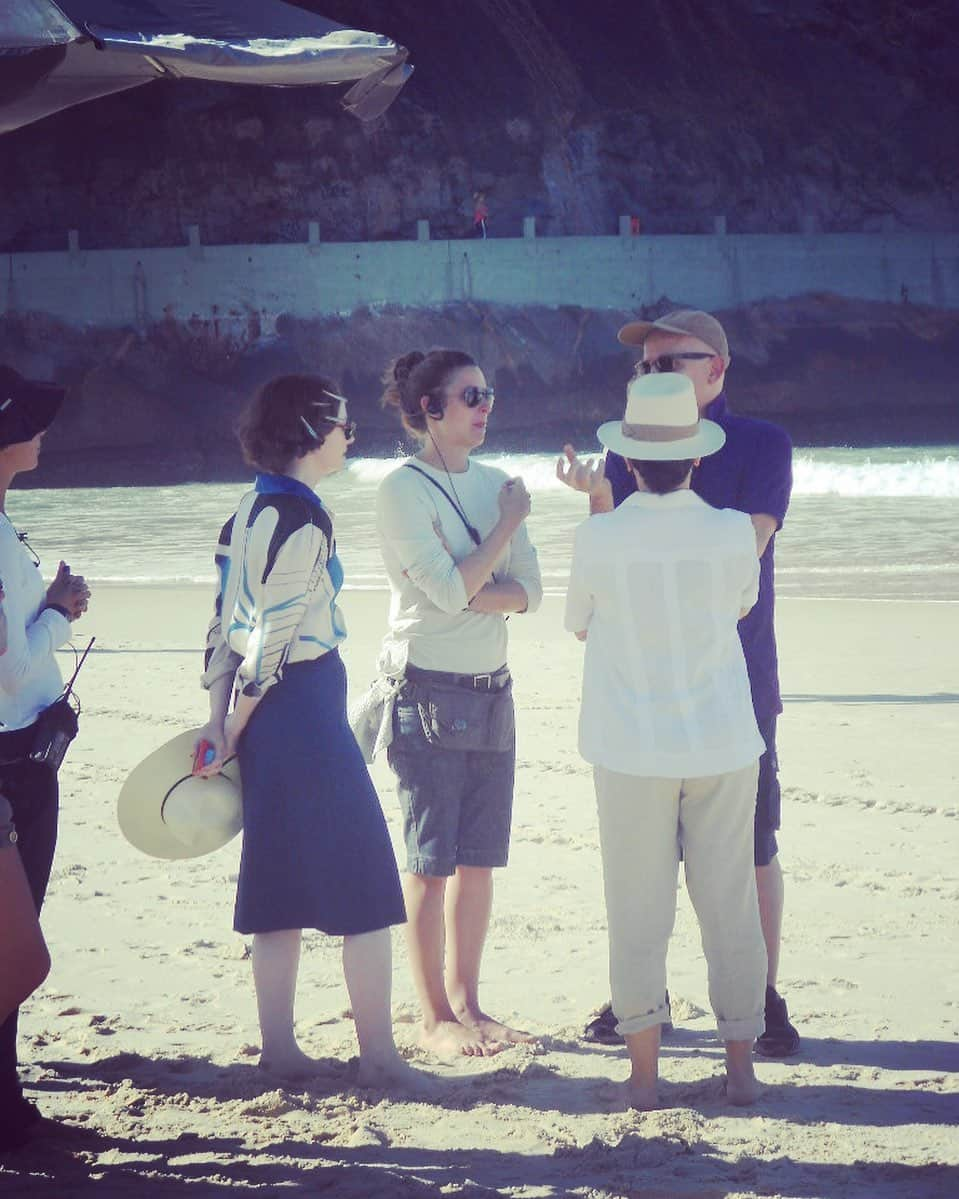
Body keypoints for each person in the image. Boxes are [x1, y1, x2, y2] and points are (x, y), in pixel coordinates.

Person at [557, 308, 799, 1058]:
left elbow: (748, 547)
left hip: (734, 673)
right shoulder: (631, 453)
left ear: (715, 367)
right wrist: (600, 504)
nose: (651, 376)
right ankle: (641, 1001)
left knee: (750, 846)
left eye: (668, 364)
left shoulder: (761, 442)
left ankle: (759, 996)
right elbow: (617, 570)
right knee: (645, 855)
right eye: (644, 368)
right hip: (642, 681)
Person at [196, 374, 422, 1090]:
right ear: (309, 429)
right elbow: (271, 640)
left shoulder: (248, 506)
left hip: (270, 713)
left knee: (278, 882)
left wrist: (218, 716)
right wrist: (232, 723)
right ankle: (379, 1056)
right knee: (365, 882)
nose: (351, 436)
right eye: (344, 425)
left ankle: (281, 1050)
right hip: (297, 706)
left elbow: (224, 625)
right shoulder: (304, 519)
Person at [375, 348, 542, 1058]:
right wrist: (500, 534)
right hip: (426, 689)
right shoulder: (401, 490)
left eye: (488, 393)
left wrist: (474, 583)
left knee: (478, 861)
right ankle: (432, 1015)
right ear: (428, 411)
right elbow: (447, 593)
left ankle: (470, 1003)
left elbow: (529, 592)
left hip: (491, 685)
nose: (483, 406)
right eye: (469, 395)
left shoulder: (496, 482)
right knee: (429, 862)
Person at [0, 365, 90, 1153]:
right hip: (10, 761)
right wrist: (59, 614)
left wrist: (49, 605)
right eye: (30, 420)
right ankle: (6, 1112)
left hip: (19, 750)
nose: (41, 432)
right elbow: (2, 664)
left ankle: (9, 1102)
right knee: (11, 935)